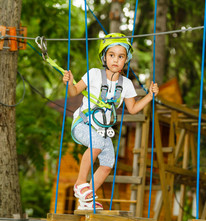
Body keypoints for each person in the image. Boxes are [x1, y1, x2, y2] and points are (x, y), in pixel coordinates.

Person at [62, 33, 159, 210]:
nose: (116, 60)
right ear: (104, 57)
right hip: (83, 124)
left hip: (102, 130)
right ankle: (80, 182)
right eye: (111, 55)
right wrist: (69, 82)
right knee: (97, 143)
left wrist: (150, 96)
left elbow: (133, 109)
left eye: (120, 56)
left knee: (108, 164)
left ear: (126, 60)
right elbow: (74, 91)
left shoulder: (127, 84)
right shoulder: (94, 74)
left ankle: (86, 200)